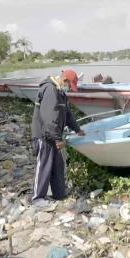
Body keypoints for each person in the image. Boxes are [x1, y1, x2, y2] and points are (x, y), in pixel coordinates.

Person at [30, 69, 85, 207]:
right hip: (44, 135)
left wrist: (77, 129)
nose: (68, 88)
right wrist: (58, 139)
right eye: (69, 85)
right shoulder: (50, 90)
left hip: (53, 135)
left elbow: (66, 114)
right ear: (64, 79)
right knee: (43, 165)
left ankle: (59, 194)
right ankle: (38, 198)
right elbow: (49, 119)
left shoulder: (60, 92)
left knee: (57, 166)